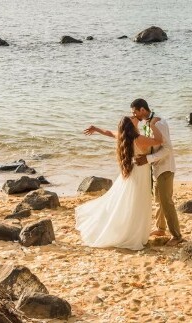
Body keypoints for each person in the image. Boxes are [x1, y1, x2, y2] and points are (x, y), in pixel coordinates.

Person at [76, 115, 163, 250]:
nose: (134, 116)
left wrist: (95, 128)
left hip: (131, 171)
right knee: (138, 202)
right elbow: (159, 140)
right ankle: (134, 233)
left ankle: (130, 229)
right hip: (140, 173)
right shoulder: (138, 139)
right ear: (130, 126)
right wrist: (153, 125)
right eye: (132, 117)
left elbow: (109, 132)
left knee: (129, 201)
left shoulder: (123, 137)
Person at [131, 98, 182, 246]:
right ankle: (160, 228)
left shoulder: (159, 123)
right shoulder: (148, 123)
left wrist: (148, 158)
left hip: (165, 167)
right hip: (155, 167)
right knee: (159, 200)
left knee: (167, 202)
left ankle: (177, 236)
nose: (134, 115)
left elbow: (167, 148)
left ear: (142, 110)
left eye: (135, 112)